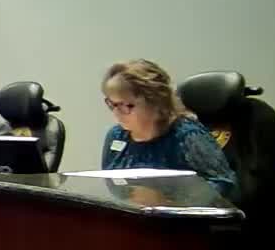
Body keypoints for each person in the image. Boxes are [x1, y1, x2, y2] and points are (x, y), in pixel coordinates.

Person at [100, 59, 237, 198]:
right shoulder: (116, 136)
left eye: (126, 105)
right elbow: (111, 183)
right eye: (112, 104)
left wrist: (170, 199)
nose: (116, 113)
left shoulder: (187, 136)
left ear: (155, 102)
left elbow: (223, 183)